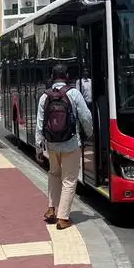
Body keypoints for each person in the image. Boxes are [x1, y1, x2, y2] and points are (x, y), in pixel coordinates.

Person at [36, 64, 92, 230]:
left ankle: (51, 209)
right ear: (67, 76)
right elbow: (86, 117)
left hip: (51, 144)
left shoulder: (44, 96)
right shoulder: (73, 93)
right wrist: (89, 134)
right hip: (71, 143)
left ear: (52, 76)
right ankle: (63, 217)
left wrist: (39, 147)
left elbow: (40, 124)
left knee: (54, 174)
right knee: (69, 179)